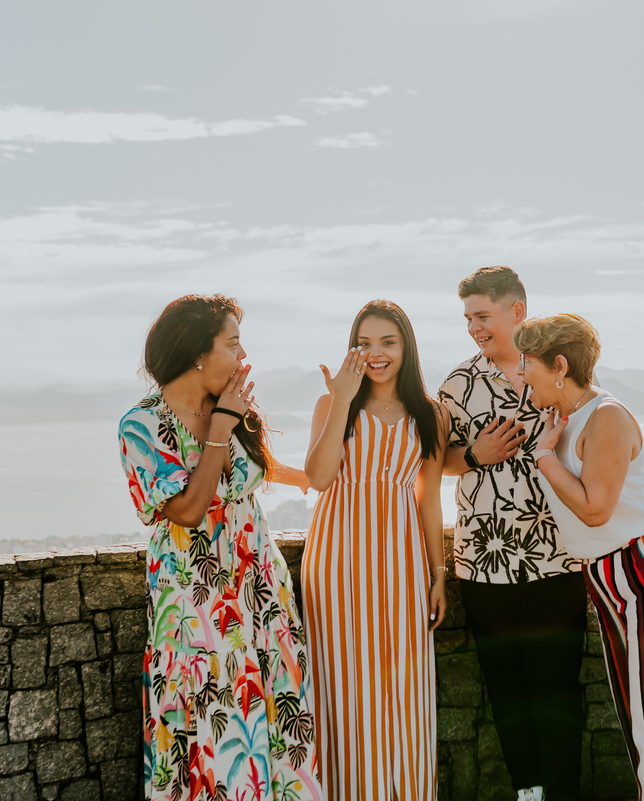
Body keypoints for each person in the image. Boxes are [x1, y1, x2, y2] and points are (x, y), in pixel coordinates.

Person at [118, 294, 323, 801]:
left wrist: (327, 474)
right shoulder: (141, 425)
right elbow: (188, 510)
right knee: (219, 721)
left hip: (259, 588)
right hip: (196, 600)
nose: (243, 356)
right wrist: (220, 428)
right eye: (233, 344)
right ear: (197, 353)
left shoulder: (232, 408)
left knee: (280, 716)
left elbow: (267, 472)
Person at [515, 313, 644, 801]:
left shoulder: (606, 416)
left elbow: (596, 508)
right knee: (641, 718)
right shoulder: (566, 418)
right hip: (609, 571)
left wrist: (544, 458)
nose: (521, 375)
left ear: (559, 365)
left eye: (527, 364)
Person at [437, 267, 586, 801]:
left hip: (556, 555)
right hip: (482, 559)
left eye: (482, 316)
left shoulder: (555, 371)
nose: (474, 327)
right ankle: (529, 791)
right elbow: (437, 464)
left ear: (516, 311)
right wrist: (476, 455)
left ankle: (563, 793)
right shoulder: (456, 385)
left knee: (557, 686)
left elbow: (595, 430)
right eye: (468, 318)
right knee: (506, 687)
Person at [301, 299, 448, 801]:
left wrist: (438, 572)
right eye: (364, 343)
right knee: (342, 681)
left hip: (403, 560)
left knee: (403, 683)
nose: (376, 353)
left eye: (388, 342)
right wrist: (341, 399)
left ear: (406, 346)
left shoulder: (430, 414)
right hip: (337, 560)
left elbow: (429, 500)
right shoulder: (333, 404)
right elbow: (320, 478)